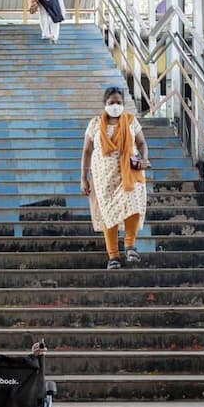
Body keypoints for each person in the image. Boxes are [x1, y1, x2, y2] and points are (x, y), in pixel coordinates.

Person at [80, 86, 150, 270]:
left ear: (124, 104)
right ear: (105, 104)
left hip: (129, 173)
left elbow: (142, 143)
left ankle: (130, 245)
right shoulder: (94, 124)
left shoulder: (131, 121)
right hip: (103, 178)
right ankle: (113, 257)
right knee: (108, 215)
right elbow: (87, 151)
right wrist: (83, 178)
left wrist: (144, 158)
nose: (115, 106)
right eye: (111, 103)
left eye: (119, 102)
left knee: (133, 204)